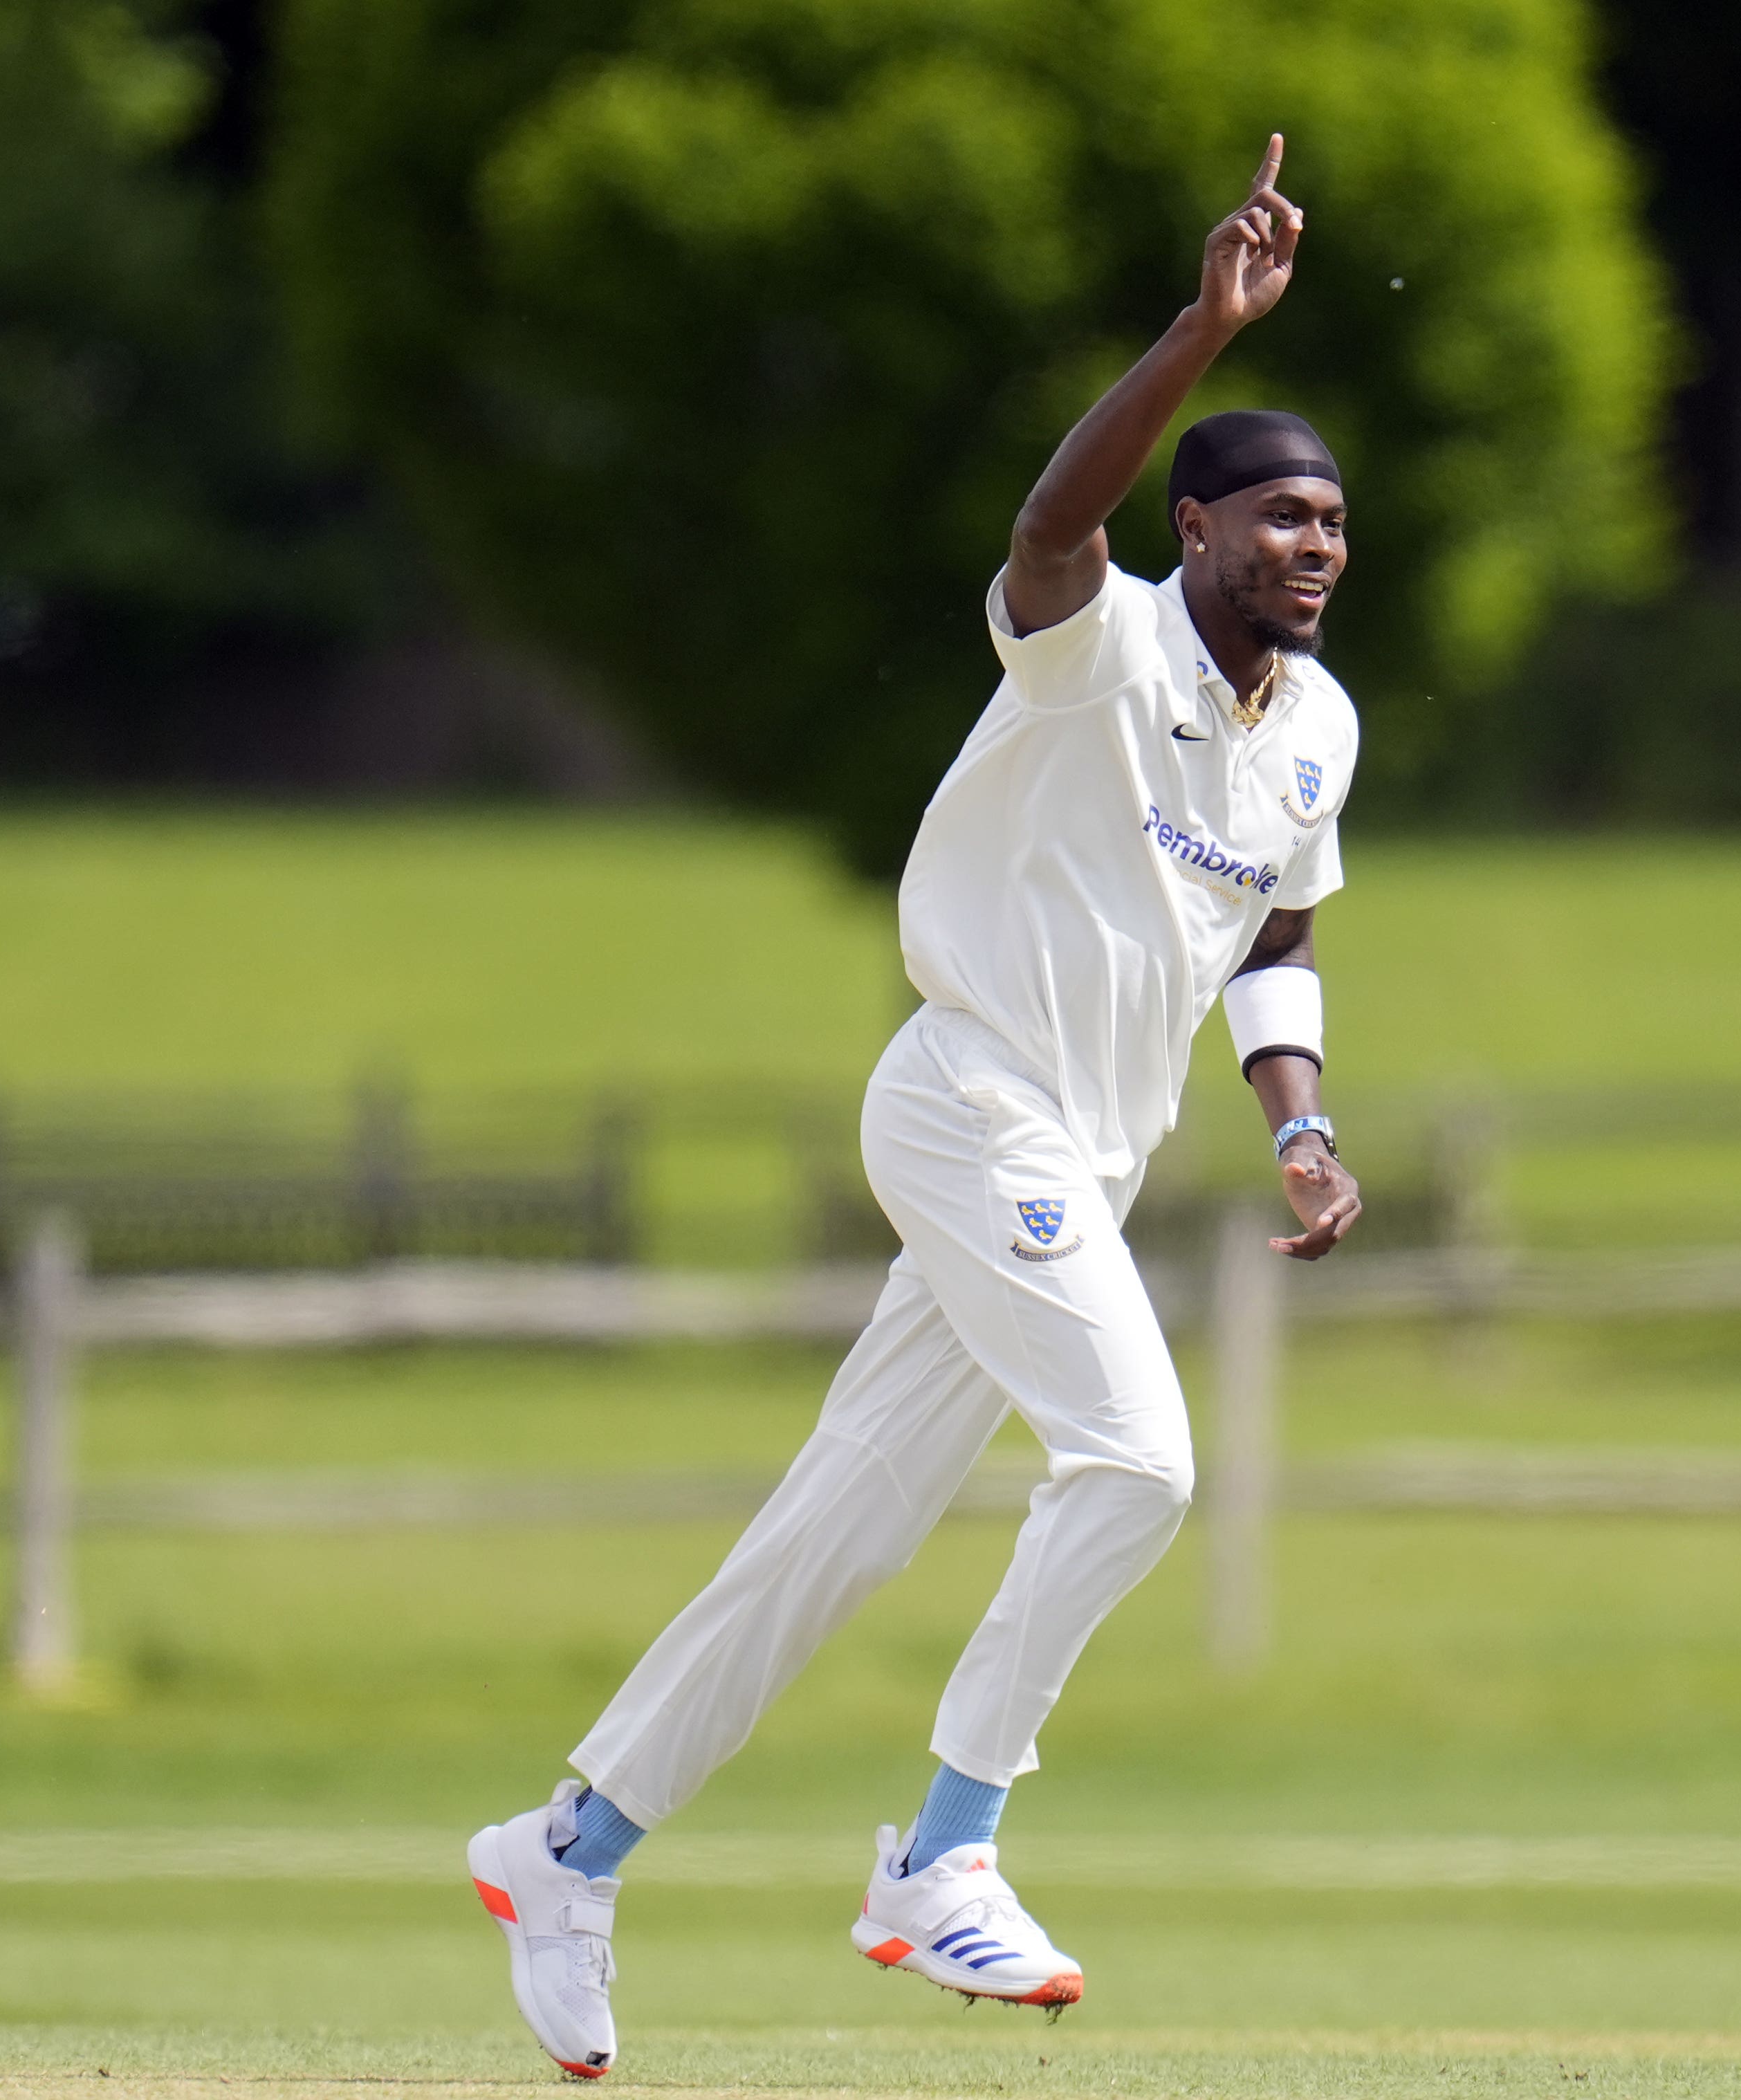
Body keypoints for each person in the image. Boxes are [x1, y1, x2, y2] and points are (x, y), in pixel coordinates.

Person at [465, 134, 1362, 2076]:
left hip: (1083, 1164)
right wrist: (1201, 330)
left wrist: (1293, 1117)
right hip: (970, 1101)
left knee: (835, 1534)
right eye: (1277, 515)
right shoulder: (1091, 643)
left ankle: (568, 1845)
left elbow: (1274, 941)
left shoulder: (1321, 735)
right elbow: (1051, 521)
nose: (1312, 547)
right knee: (1138, 1463)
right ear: (1194, 527)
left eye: (1334, 527)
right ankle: (942, 1851)